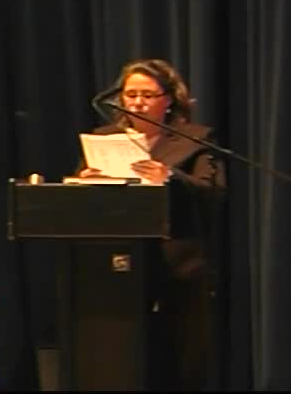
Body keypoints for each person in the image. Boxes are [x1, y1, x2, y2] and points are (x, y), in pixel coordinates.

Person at [77, 58, 226, 390]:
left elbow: (212, 191)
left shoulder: (195, 139)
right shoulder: (104, 139)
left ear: (168, 99)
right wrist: (85, 181)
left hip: (178, 260)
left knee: (181, 354)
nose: (137, 103)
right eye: (130, 95)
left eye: (147, 95)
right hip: (118, 262)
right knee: (122, 354)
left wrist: (170, 176)